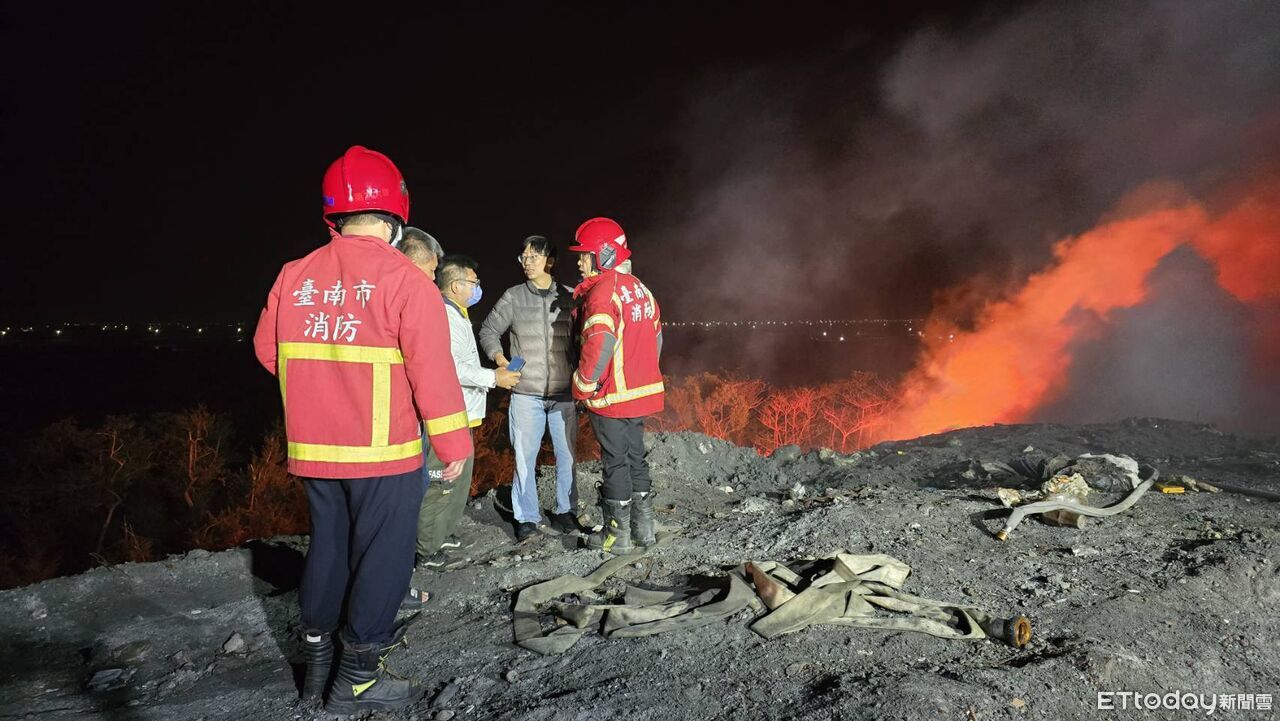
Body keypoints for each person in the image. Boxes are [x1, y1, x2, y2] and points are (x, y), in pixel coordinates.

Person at [253, 145, 472, 714]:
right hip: (386, 451)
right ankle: (356, 678)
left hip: (313, 447)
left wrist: (322, 392)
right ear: (396, 215)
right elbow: (433, 375)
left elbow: (266, 351)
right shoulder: (405, 279)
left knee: (327, 548)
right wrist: (453, 445)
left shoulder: (294, 275)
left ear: (335, 215)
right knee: (384, 556)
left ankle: (316, 666)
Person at [416, 255, 521, 568]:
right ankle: (426, 549)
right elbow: (450, 367)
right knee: (441, 481)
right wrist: (494, 377)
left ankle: (441, 532)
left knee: (458, 480)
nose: (478, 289)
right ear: (455, 284)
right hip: (447, 414)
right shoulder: (443, 317)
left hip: (463, 413)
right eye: (474, 283)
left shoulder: (458, 314)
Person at [568, 217, 665, 555]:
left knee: (615, 462)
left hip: (611, 397)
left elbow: (599, 342)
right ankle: (644, 529)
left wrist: (582, 385)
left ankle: (617, 536)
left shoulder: (602, 292)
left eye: (584, 255)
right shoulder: (640, 287)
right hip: (640, 395)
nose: (579, 263)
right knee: (636, 457)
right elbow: (657, 339)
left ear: (603, 255)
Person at [478, 235, 580, 542]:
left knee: (568, 457)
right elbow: (489, 330)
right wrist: (500, 359)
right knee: (525, 457)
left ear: (550, 261)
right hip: (526, 393)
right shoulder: (513, 296)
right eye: (523, 257)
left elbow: (585, 338)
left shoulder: (569, 296)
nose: (527, 262)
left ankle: (566, 511)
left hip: (564, 391)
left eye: (534, 256)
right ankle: (526, 517)